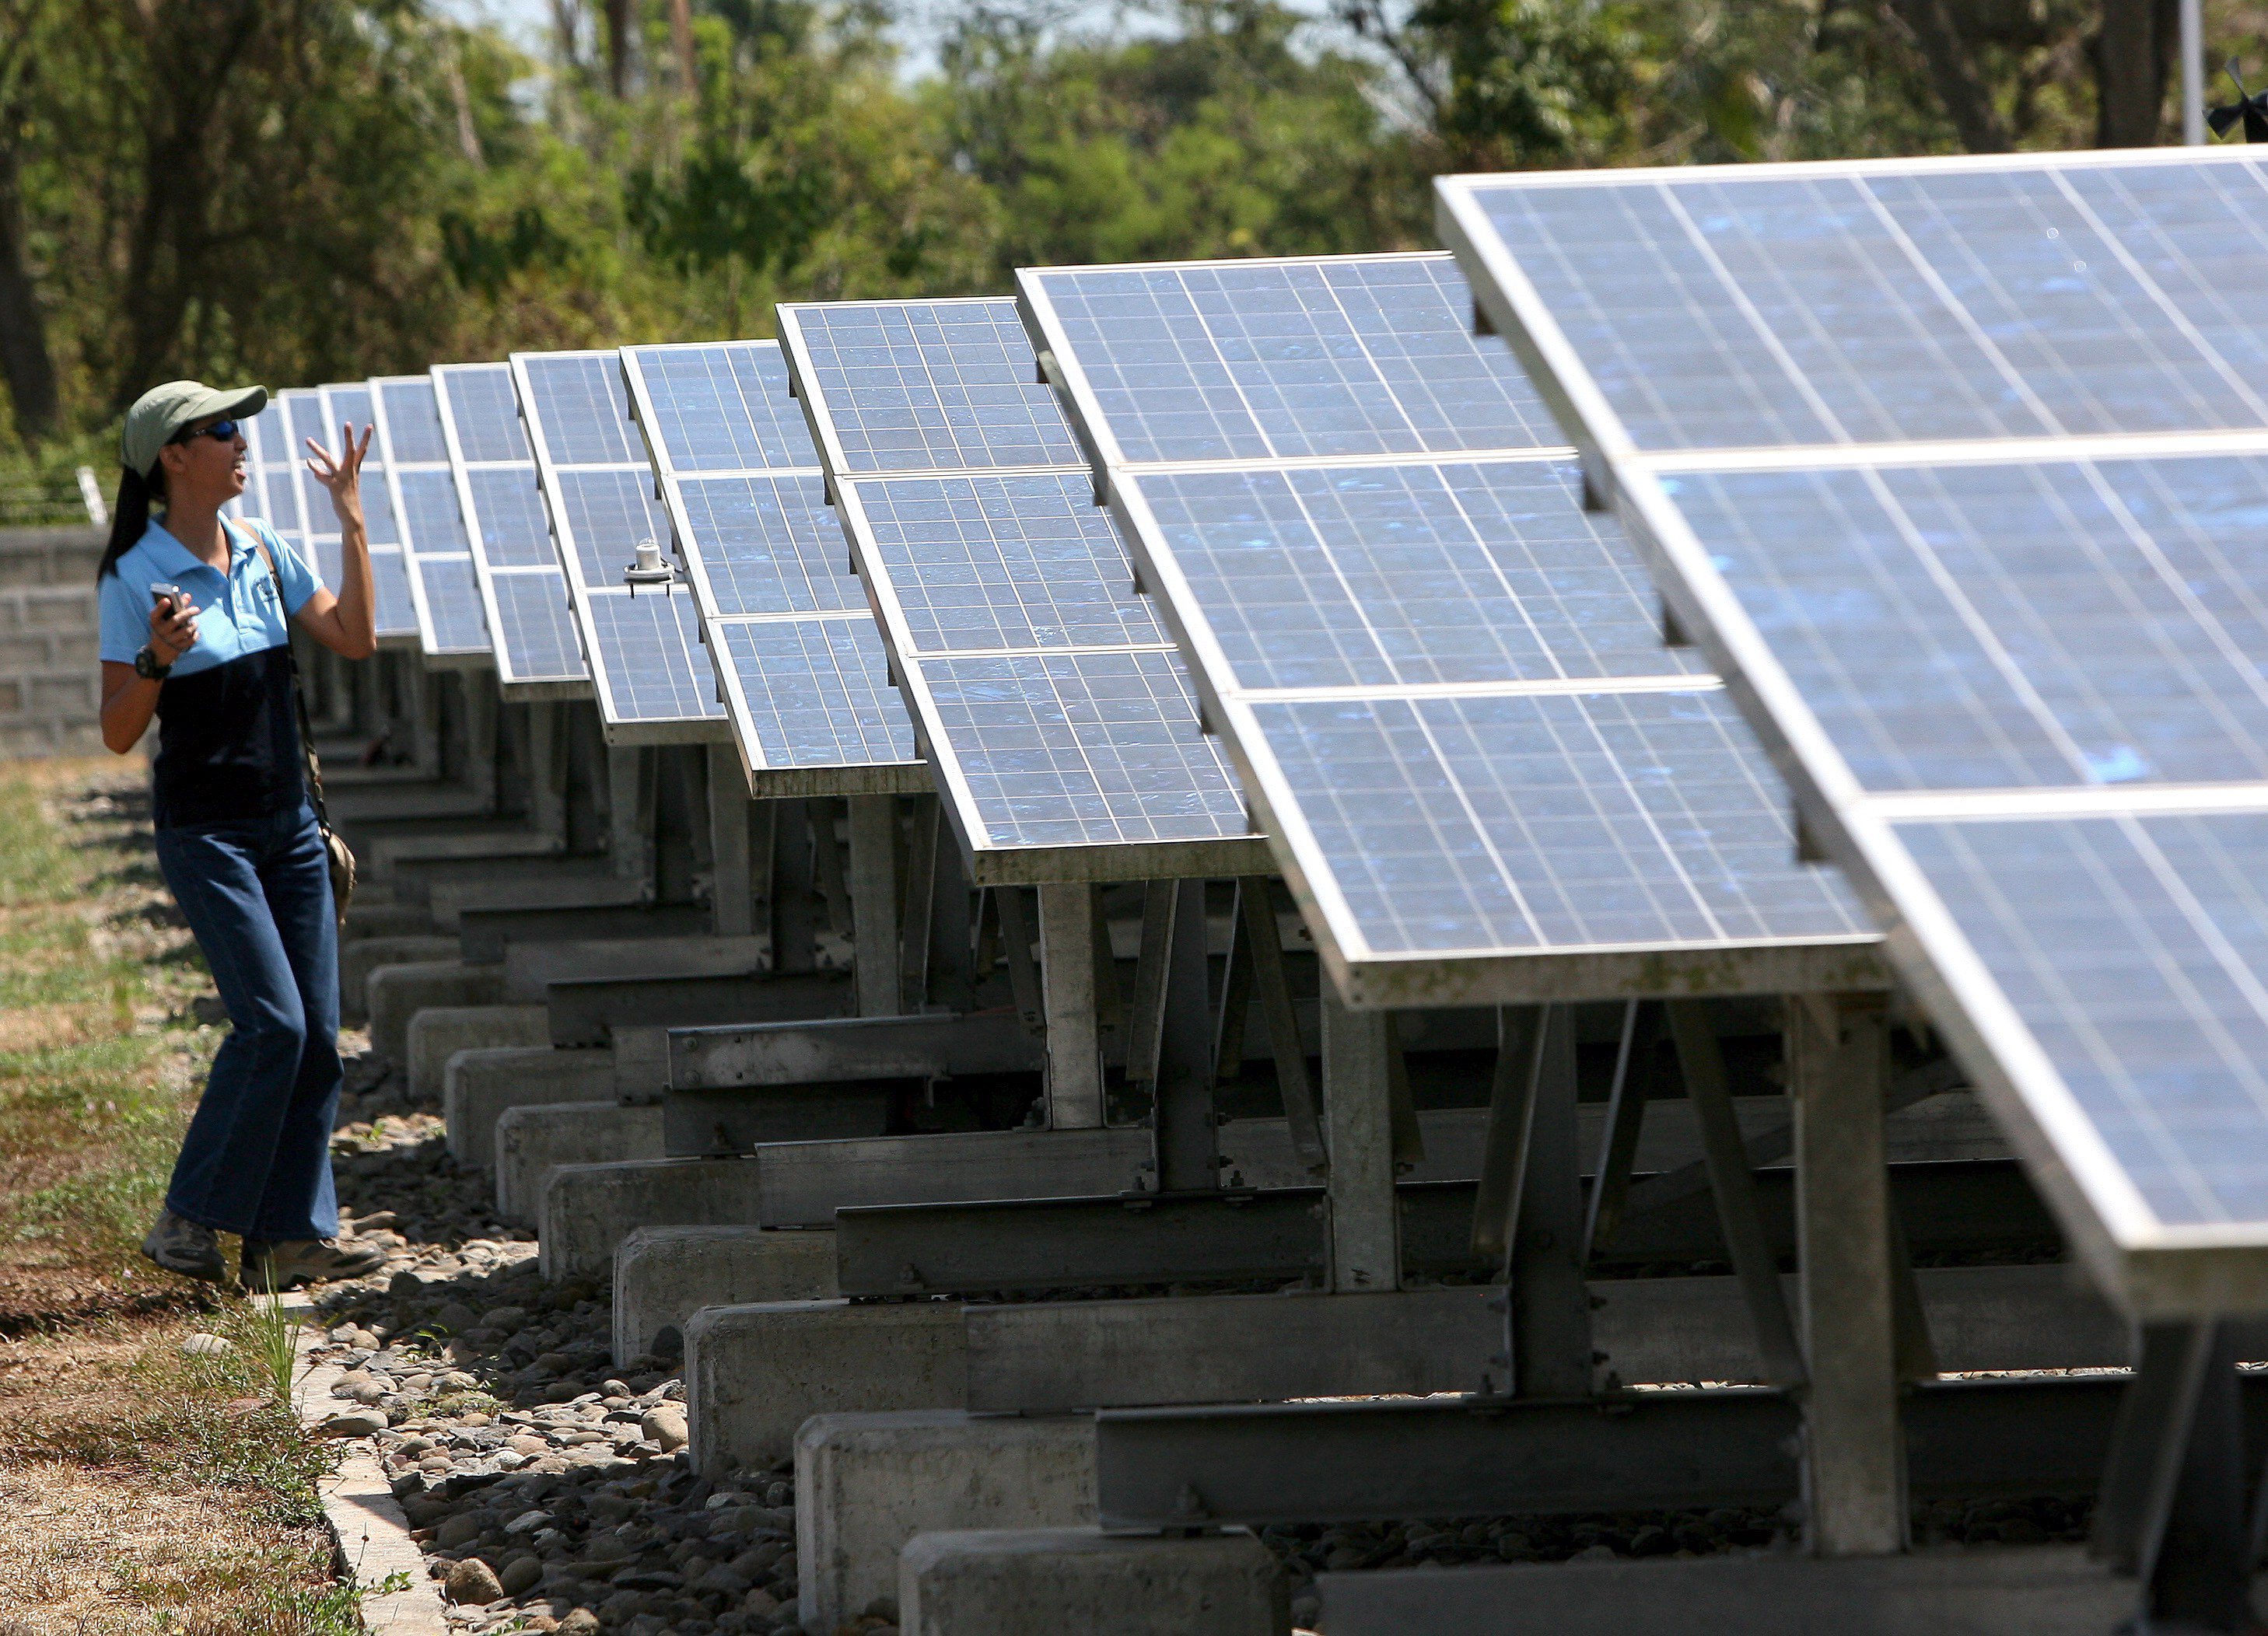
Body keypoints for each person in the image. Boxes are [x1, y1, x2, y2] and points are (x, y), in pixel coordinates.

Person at [96, 379, 387, 1292]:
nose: (241, 442)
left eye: (240, 427)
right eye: (223, 430)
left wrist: (351, 518)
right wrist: (156, 661)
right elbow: (116, 727)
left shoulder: (265, 548)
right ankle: (188, 1217)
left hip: (290, 827)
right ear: (174, 457)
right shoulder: (134, 575)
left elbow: (353, 636)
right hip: (208, 834)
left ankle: (288, 1237)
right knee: (273, 1024)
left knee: (321, 1040)